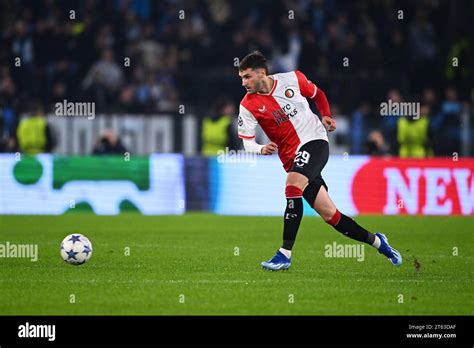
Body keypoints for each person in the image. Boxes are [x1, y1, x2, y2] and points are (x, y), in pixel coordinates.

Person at [237, 51, 402, 271]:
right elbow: (247, 142)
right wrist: (260, 148)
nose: (243, 83)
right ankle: (379, 243)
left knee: (292, 185)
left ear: (261, 73)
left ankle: (284, 254)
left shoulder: (292, 79)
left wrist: (325, 114)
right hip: (292, 160)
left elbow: (318, 94)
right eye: (241, 78)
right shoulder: (247, 105)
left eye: (247, 77)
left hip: (315, 142)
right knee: (330, 215)